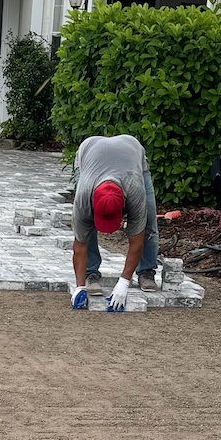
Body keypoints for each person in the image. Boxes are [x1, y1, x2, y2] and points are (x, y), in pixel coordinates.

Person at [68, 133, 158, 311]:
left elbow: (136, 241)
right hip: (89, 152)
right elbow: (79, 245)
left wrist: (123, 283)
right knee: (87, 226)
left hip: (132, 155)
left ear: (124, 204)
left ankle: (146, 271)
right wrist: (79, 287)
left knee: (147, 220)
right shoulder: (84, 198)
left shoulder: (134, 189)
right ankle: (89, 274)